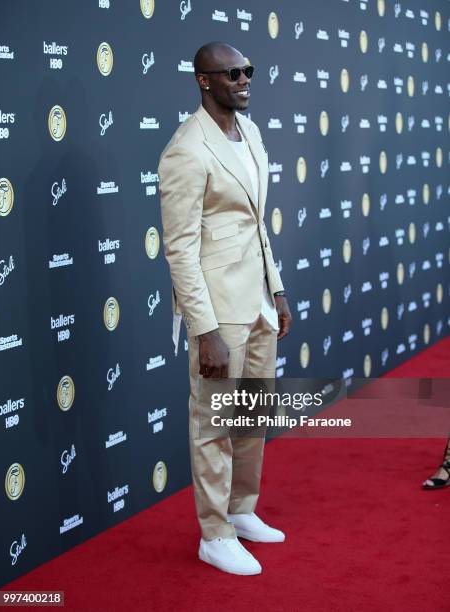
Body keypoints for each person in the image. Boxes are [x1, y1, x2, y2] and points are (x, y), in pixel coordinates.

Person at [158, 41, 292, 575]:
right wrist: (203, 327)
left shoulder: (250, 132)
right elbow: (180, 249)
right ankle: (213, 535)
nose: (244, 79)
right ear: (203, 81)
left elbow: (256, 225)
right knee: (213, 422)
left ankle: (240, 511)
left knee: (252, 414)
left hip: (255, 299)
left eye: (248, 70)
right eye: (232, 73)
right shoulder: (186, 150)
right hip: (218, 310)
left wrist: (276, 289)